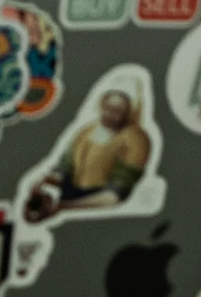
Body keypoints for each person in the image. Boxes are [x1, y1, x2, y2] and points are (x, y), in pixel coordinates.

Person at [22, 88, 152, 225]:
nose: (109, 114)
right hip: (70, 200)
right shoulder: (86, 132)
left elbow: (114, 197)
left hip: (98, 215)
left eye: (116, 110)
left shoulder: (135, 140)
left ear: (126, 113)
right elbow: (64, 169)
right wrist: (44, 181)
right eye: (106, 107)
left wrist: (63, 206)